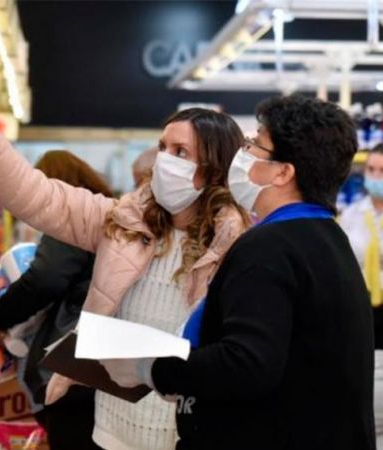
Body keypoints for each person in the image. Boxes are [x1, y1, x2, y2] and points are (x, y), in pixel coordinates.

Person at [0, 68, 248, 449]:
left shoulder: (239, 250)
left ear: (214, 168)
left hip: (182, 434)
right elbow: (35, 194)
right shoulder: (121, 224)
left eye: (180, 152)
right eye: (163, 148)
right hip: (108, 429)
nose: (164, 161)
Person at [102, 95, 375, 450]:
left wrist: (149, 368)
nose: (242, 154)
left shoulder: (270, 247)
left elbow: (246, 363)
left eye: (254, 144)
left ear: (283, 172)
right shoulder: (327, 238)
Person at [0, 150, 112, 449]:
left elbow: (45, 279)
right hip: (100, 360)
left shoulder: (71, 219)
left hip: (73, 361)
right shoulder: (107, 214)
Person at [339, 144, 383, 448]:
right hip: (362, 310)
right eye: (371, 170)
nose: (375, 176)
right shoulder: (351, 215)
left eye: (382, 171)